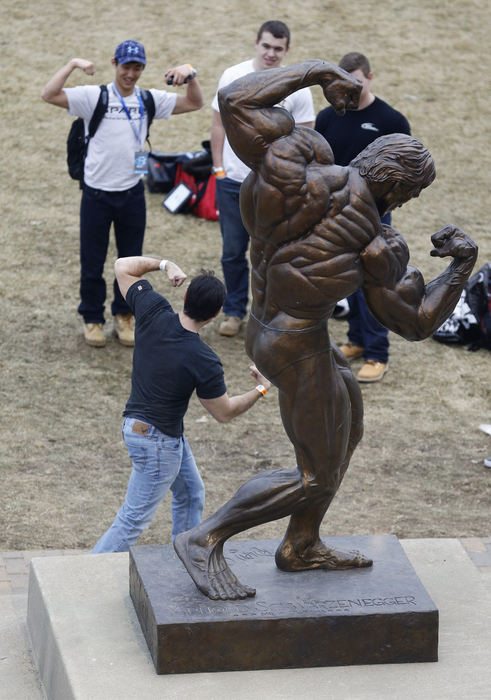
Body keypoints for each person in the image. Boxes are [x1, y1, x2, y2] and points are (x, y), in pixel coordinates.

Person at [174, 60, 478, 600]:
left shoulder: (294, 162)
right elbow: (413, 324)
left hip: (273, 329)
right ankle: (204, 537)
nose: (405, 205)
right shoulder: (373, 240)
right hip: (295, 344)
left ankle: (301, 545)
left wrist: (320, 72)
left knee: (348, 426)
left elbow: (234, 101)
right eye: (409, 195)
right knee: (316, 471)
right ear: (398, 184)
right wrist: (459, 267)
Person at [92, 255, 271, 552]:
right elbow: (224, 412)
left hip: (143, 430)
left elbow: (122, 266)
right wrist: (261, 389)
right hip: (159, 444)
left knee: (190, 494)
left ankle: (184, 560)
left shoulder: (153, 310)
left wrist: (165, 264)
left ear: (185, 296)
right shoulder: (204, 359)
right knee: (131, 521)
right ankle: (81, 581)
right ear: (215, 315)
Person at [41, 40, 203, 348]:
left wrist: (191, 74)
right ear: (115, 63)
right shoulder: (95, 96)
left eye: (137, 68)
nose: (131, 74)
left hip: (132, 195)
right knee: (92, 261)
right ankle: (92, 318)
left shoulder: (147, 99)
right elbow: (48, 94)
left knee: (131, 261)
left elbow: (194, 103)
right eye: (126, 66)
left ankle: (124, 315)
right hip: (96, 196)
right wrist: (73, 63)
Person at [210, 20, 315, 337]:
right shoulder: (233, 77)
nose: (271, 53)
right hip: (233, 181)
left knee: (272, 253)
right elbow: (218, 125)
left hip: (277, 186)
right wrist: (218, 168)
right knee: (232, 251)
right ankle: (233, 312)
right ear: (256, 43)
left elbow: (308, 133)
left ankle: (267, 313)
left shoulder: (298, 87)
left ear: (287, 50)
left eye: (278, 49)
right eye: (266, 46)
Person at [315, 52, 411, 382]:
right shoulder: (327, 118)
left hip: (374, 218)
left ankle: (376, 353)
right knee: (347, 280)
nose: (352, 87)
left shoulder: (391, 121)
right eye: (346, 81)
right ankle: (356, 340)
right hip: (336, 214)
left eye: (357, 80)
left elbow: (406, 172)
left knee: (373, 285)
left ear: (369, 78)